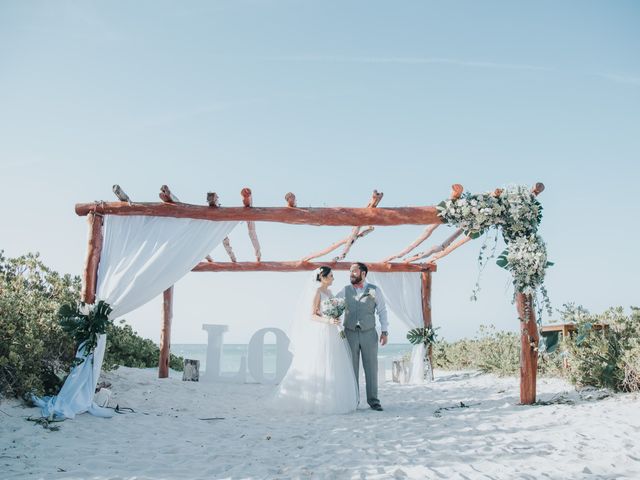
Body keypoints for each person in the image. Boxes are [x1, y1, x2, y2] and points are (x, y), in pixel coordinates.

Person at [275, 266, 359, 414]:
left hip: (333, 331)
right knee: (320, 361)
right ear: (323, 277)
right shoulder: (317, 292)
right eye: (331, 275)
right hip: (322, 331)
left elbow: (329, 310)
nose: (333, 278)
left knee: (333, 362)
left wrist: (336, 316)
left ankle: (333, 398)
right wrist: (328, 320)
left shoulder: (330, 292)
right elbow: (312, 315)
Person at [336, 262, 388, 411]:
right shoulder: (344, 290)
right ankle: (354, 400)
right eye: (350, 271)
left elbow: (382, 311)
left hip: (369, 333)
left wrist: (384, 331)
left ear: (363, 273)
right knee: (351, 369)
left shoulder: (374, 290)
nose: (351, 274)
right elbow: (334, 306)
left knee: (371, 368)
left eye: (354, 271)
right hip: (350, 333)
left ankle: (373, 401)